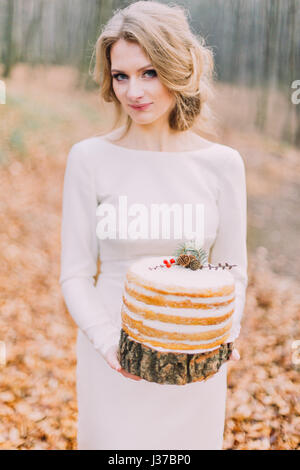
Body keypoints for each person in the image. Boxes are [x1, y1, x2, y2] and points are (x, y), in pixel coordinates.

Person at [59, 1, 247, 450]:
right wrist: (111, 345)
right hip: (112, 356)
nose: (133, 91)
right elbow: (75, 275)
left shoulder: (222, 166)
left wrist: (221, 336)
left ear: (177, 69)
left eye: (149, 72)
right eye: (121, 75)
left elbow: (233, 272)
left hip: (193, 358)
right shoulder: (89, 159)